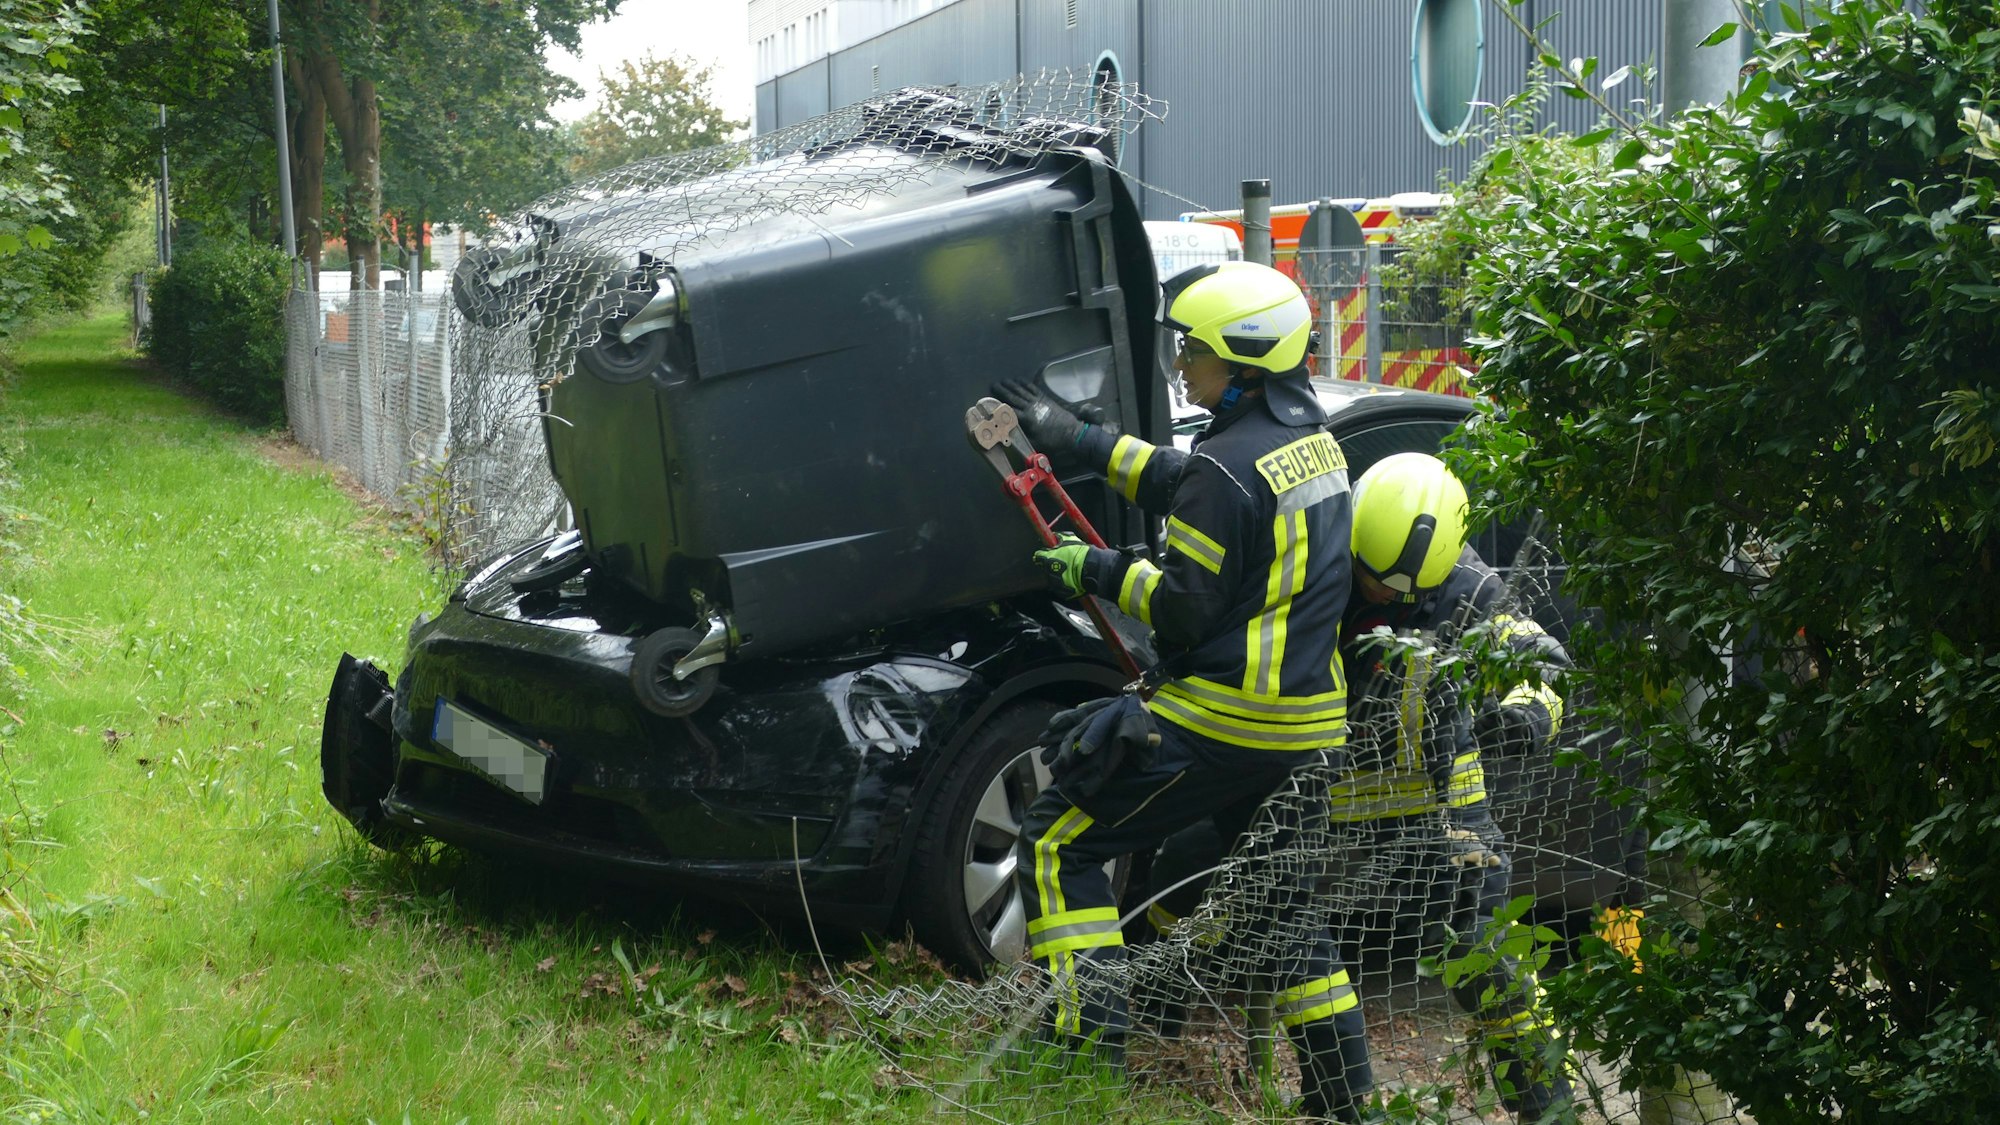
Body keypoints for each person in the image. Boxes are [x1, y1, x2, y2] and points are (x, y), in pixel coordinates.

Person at [994, 261, 1373, 1122]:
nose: (1182, 367)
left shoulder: (1226, 467)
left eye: (1194, 352)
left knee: (1058, 841)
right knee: (1284, 911)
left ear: (1243, 366)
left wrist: (1092, 567)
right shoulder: (1313, 445)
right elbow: (1184, 477)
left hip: (1226, 718)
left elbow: (1183, 612)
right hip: (1310, 726)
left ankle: (1089, 1052)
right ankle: (1347, 1102)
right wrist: (1079, 439)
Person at [1148, 451, 1574, 1122]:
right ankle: (1164, 1046)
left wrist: (1522, 715)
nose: (1379, 591)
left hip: (1436, 816)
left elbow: (1541, 663)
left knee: (1481, 957)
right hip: (1309, 795)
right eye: (1369, 576)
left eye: (1399, 588)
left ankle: (1549, 1105)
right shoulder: (1318, 555)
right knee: (1193, 884)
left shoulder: (1472, 590)